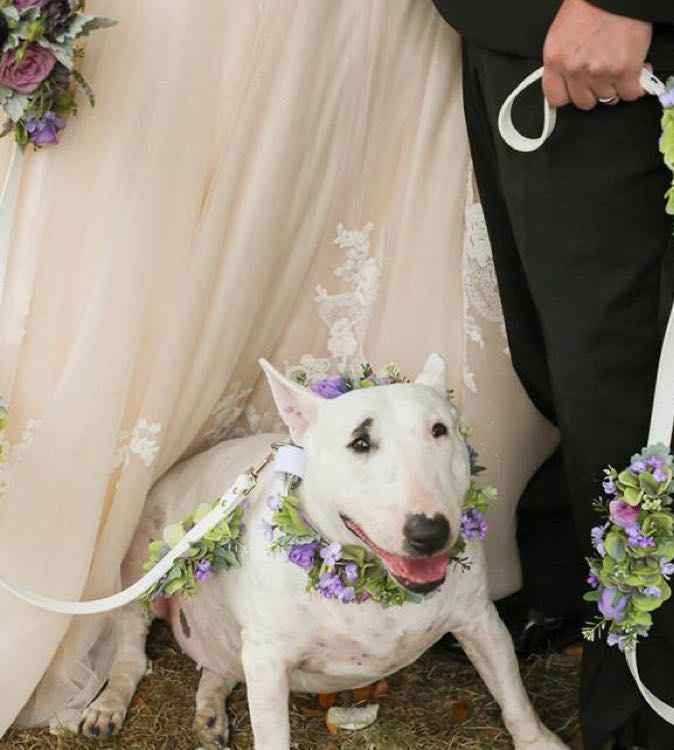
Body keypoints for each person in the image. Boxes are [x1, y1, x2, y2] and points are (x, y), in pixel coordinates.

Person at [431, 0, 674, 748]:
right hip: (514, 32)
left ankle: (646, 700)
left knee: (626, 380)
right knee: (564, 359)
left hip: (606, 38)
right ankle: (588, 600)